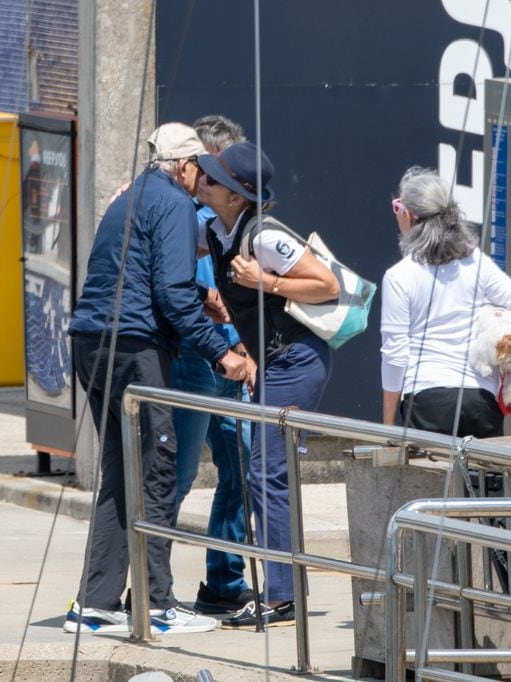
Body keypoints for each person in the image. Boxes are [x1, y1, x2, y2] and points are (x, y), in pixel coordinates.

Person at [64, 122, 252, 635]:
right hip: (133, 347)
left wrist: (200, 298)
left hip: (91, 342)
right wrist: (224, 354)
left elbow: (152, 279)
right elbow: (170, 295)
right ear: (185, 166)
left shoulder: (129, 198)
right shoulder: (172, 204)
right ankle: (158, 605)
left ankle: (97, 603)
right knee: (156, 470)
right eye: (199, 171)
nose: (201, 182)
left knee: (122, 475)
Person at [195, 141, 339, 629]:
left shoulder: (262, 236)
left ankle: (283, 597)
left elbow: (326, 285)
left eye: (213, 179)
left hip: (296, 360)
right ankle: (282, 588)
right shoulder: (217, 229)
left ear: (237, 196)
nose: (202, 180)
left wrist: (265, 282)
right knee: (265, 472)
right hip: (272, 361)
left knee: (266, 473)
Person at [379, 167, 511, 438]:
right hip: (481, 399)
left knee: (430, 481)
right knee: (485, 481)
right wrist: (490, 329)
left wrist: (387, 424)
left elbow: (395, 355)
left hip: (427, 400)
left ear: (408, 215)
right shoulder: (476, 262)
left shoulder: (399, 276)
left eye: (397, 207)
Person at [168, 115, 254, 615]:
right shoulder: (183, 218)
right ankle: (149, 587)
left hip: (229, 361)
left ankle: (223, 584)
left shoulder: (232, 224)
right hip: (194, 362)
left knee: (240, 469)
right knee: (174, 479)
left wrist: (241, 347)